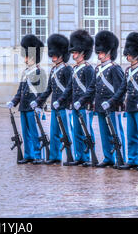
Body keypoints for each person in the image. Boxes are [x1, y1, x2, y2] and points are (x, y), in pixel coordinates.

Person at [74, 30, 126, 168]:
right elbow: (92, 88)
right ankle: (108, 157)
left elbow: (120, 90)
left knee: (115, 133)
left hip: (112, 106)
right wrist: (82, 100)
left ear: (109, 52)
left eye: (101, 52)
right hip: (100, 107)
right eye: (99, 52)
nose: (99, 54)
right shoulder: (98, 69)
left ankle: (121, 157)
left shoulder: (115, 68)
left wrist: (111, 102)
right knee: (104, 134)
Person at [102, 32, 138, 171]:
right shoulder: (128, 71)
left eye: (130, 54)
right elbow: (121, 90)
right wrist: (111, 101)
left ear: (137, 54)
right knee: (131, 136)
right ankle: (133, 159)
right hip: (130, 107)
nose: (128, 56)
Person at [53, 30, 95, 166]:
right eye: (73, 53)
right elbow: (69, 88)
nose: (74, 55)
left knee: (86, 131)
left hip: (85, 106)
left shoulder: (88, 69)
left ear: (83, 53)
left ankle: (88, 156)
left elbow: (90, 89)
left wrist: (82, 101)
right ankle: (79, 156)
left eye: (76, 52)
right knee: (76, 132)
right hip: (75, 105)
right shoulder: (75, 69)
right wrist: (60, 100)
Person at [30, 34, 73, 165]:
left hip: (64, 106)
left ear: (62, 54)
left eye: (55, 55)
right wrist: (38, 101)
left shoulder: (67, 69)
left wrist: (61, 101)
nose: (53, 57)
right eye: (52, 55)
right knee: (54, 132)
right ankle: (55, 156)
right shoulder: (54, 69)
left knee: (66, 132)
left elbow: (69, 89)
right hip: (55, 107)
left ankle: (73, 156)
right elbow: (49, 89)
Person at [6, 34, 47, 165]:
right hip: (23, 107)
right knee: (25, 133)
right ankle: (28, 154)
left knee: (34, 133)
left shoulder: (40, 72)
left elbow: (42, 92)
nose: (25, 59)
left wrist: (39, 105)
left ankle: (37, 154)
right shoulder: (25, 72)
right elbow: (20, 91)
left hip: (33, 108)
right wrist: (13, 101)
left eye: (27, 56)